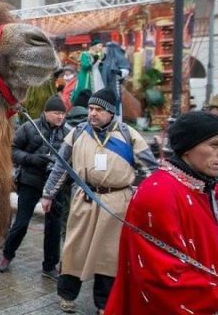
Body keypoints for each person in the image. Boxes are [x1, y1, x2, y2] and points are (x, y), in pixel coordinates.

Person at [40, 88, 158, 314]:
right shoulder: (76, 133)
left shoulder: (128, 135)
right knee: (74, 248)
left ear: (111, 112)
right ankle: (66, 294)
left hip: (116, 202)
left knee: (109, 255)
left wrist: (143, 199)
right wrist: (48, 194)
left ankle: (104, 304)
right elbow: (61, 167)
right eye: (91, 109)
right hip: (84, 199)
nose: (92, 113)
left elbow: (150, 170)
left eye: (99, 110)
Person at [106, 112, 218, 314]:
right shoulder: (157, 193)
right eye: (215, 145)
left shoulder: (213, 188)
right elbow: (161, 275)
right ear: (187, 149)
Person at [0, 95, 70, 280]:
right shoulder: (29, 128)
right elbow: (12, 150)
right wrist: (31, 159)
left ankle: (50, 265)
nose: (60, 117)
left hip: (54, 186)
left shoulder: (68, 133)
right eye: (56, 113)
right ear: (46, 113)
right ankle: (7, 255)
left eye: (62, 113)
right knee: (21, 223)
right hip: (31, 181)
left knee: (54, 227)